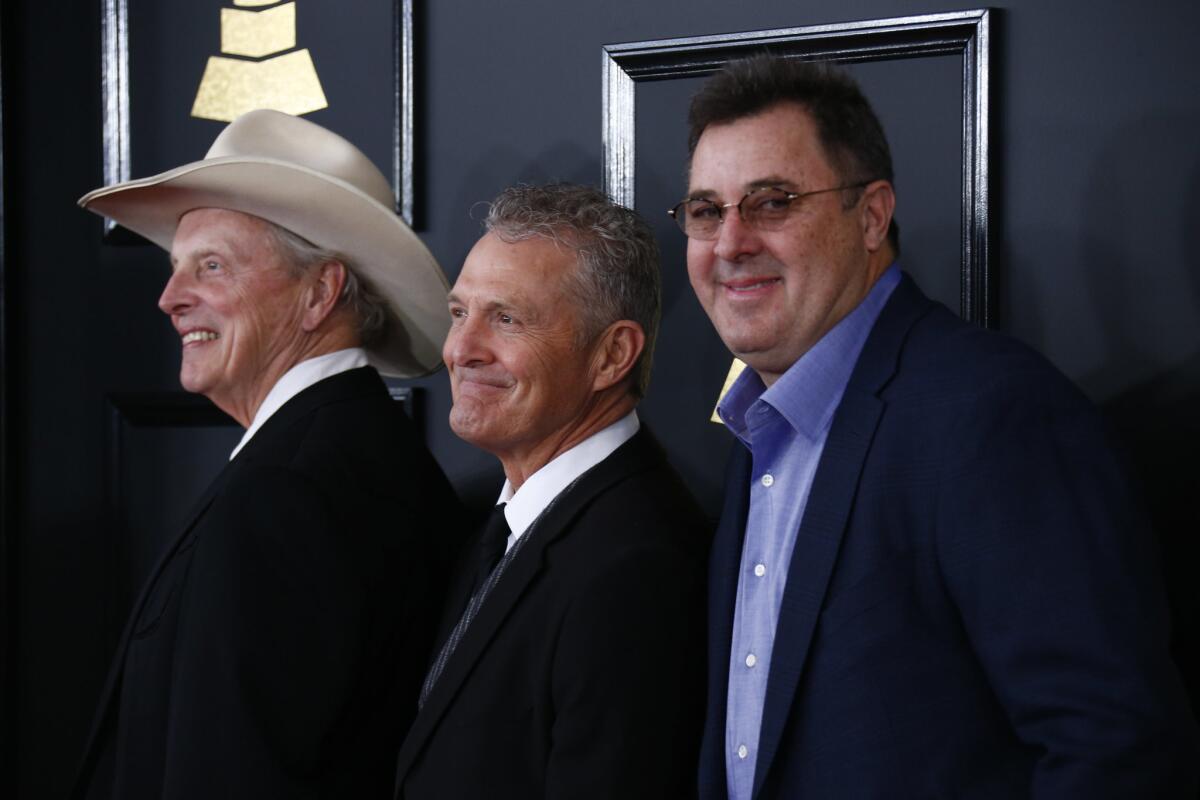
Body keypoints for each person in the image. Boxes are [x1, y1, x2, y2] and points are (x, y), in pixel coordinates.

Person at [678, 56, 1199, 799]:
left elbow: (1115, 747)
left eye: (772, 202)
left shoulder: (993, 414)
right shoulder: (762, 426)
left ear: (872, 215)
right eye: (706, 211)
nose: (729, 243)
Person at [71, 109, 462, 799]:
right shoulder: (355, 450)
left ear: (320, 293)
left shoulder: (287, 489)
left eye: (211, 266)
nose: (169, 299)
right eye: (176, 268)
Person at [393, 183, 709, 799]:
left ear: (612, 355)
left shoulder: (639, 566)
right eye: (460, 313)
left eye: (506, 318)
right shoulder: (489, 520)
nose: (460, 350)